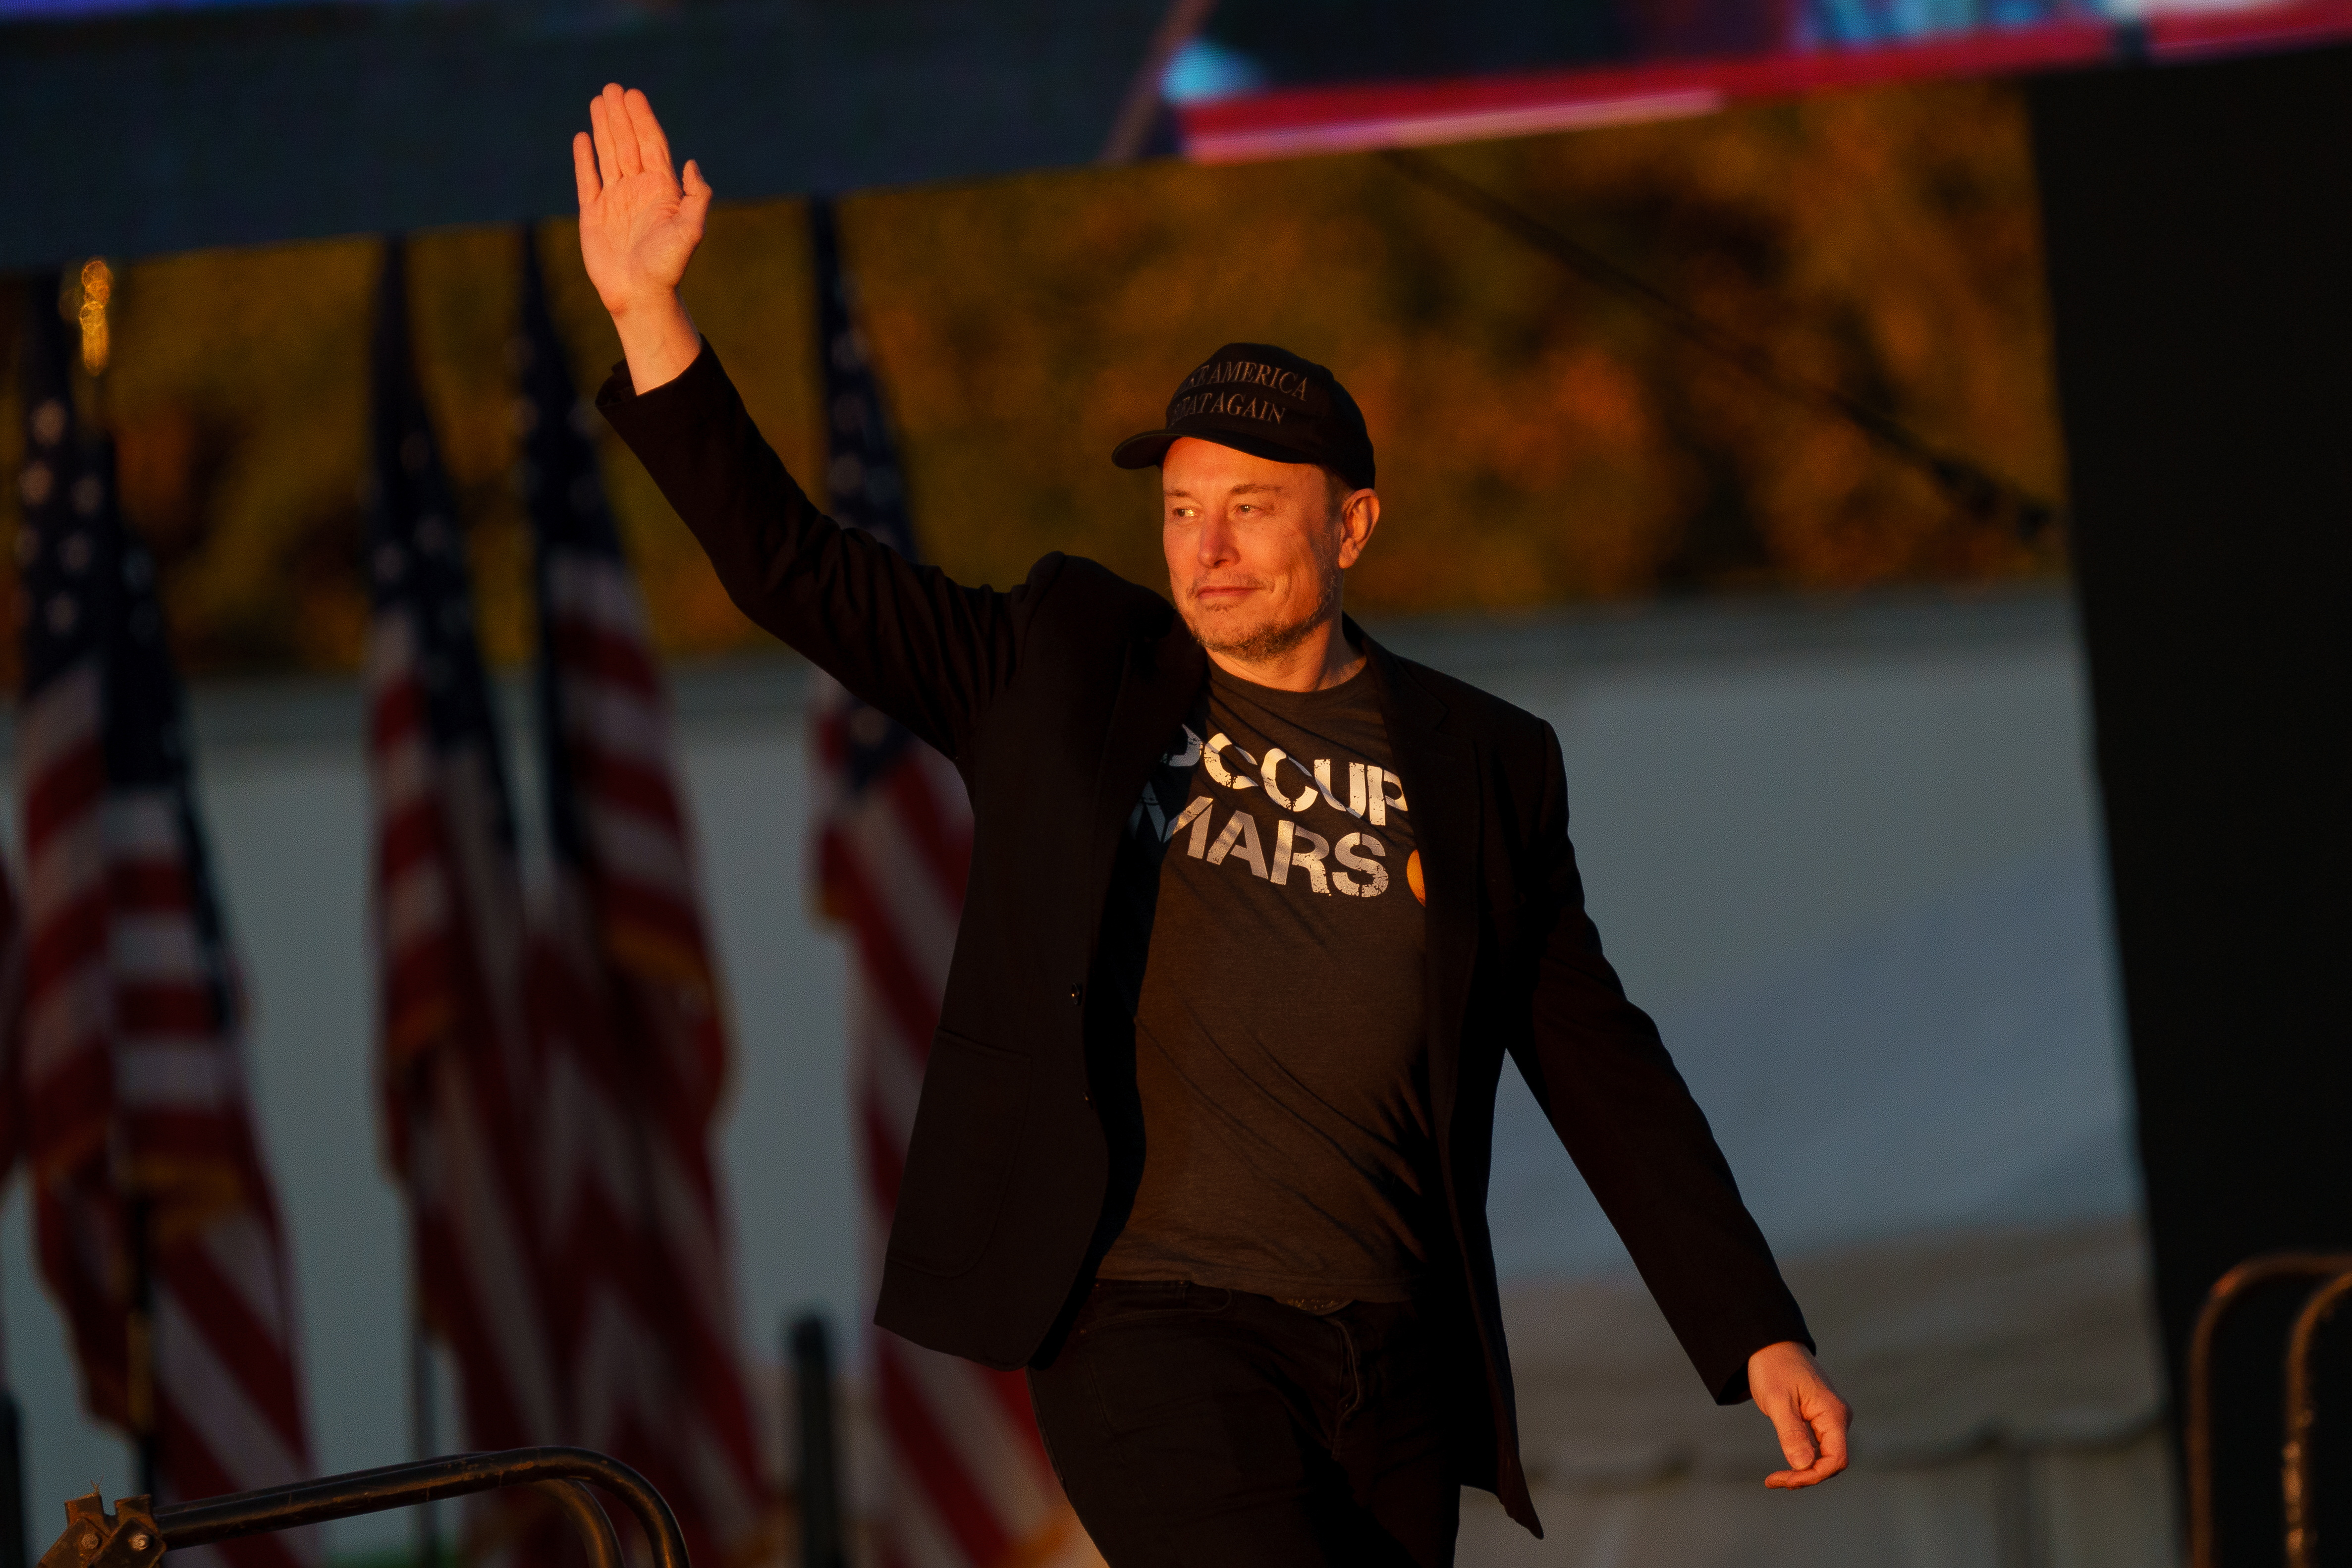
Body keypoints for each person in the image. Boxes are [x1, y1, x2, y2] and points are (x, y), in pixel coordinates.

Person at [571, 82, 1850, 1568]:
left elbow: (1599, 1067)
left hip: (1391, 1356)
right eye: (1182, 511)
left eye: (1250, 507)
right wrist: (651, 317)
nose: (1208, 547)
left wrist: (1753, 1334)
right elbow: (799, 571)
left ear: (1351, 526)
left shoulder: (1485, 762)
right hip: (1148, 1326)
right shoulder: (1061, 668)